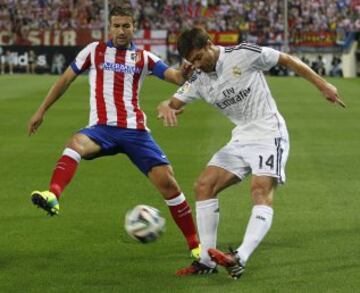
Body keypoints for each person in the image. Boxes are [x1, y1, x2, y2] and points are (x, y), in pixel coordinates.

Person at [157, 28, 345, 279]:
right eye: (193, 61)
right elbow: (171, 103)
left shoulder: (244, 54)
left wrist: (323, 85)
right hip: (242, 137)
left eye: (201, 57)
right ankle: (205, 262)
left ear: (211, 44)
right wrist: (166, 107)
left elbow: (286, 59)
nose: (198, 65)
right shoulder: (198, 78)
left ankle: (240, 257)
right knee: (204, 186)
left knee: (259, 190)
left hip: (269, 133)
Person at [28, 7, 200, 258]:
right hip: (101, 130)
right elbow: (64, 80)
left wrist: (184, 73)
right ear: (109, 28)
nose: (121, 31)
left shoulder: (144, 58)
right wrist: (41, 110)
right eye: (117, 26)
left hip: (135, 131)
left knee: (169, 184)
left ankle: (196, 246)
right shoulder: (94, 51)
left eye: (126, 26)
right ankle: (53, 194)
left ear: (134, 28)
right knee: (76, 142)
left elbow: (173, 76)